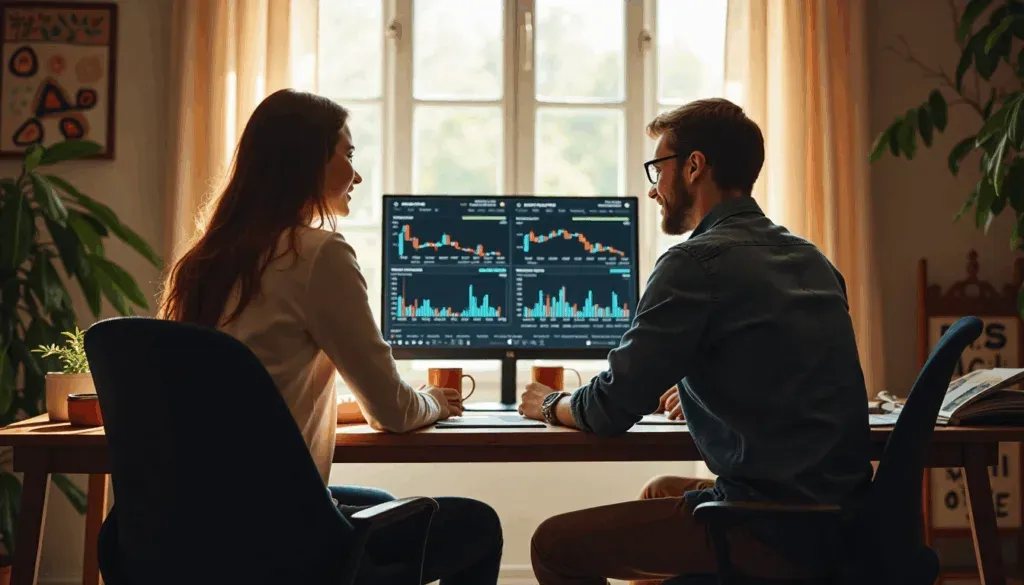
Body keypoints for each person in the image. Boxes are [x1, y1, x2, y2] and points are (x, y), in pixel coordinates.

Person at [519, 98, 873, 584]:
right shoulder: (810, 258)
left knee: (555, 545)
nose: (652, 189)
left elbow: (609, 408)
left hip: (770, 528)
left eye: (657, 169)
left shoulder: (695, 263)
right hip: (842, 522)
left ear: (693, 167)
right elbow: (782, 368)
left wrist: (548, 402)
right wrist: (703, 391)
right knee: (659, 490)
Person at [159, 88, 502, 585]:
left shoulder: (204, 261)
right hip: (276, 537)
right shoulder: (317, 254)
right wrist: (432, 401)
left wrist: (340, 406)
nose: (357, 174)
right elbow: (396, 414)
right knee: (477, 525)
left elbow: (252, 389)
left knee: (384, 506)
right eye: (348, 153)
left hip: (191, 527)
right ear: (306, 161)